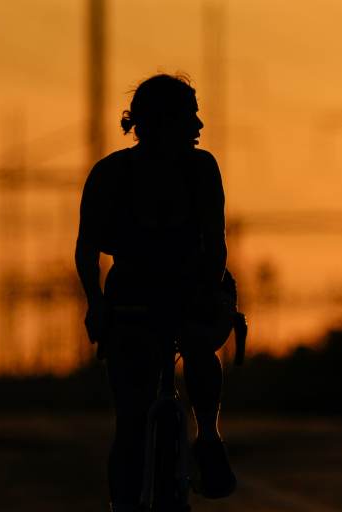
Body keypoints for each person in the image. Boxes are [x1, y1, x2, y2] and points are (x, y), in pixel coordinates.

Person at [75, 74, 236, 512]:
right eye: (191, 115)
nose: (200, 124)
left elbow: (215, 244)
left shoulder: (192, 169)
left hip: (166, 291)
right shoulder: (120, 173)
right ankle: (198, 441)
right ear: (166, 122)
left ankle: (206, 434)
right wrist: (97, 306)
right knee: (134, 415)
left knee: (139, 411)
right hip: (143, 295)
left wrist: (97, 304)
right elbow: (87, 249)